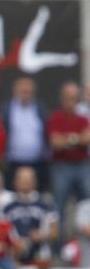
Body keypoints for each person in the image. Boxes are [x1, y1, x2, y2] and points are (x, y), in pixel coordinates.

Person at [46, 81, 90, 238]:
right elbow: (55, 143)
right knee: (58, 208)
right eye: (68, 98)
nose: (71, 102)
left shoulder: (83, 118)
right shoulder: (55, 118)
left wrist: (68, 140)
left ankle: (83, 247)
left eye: (74, 98)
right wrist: (76, 139)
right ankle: (59, 248)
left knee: (87, 205)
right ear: (62, 98)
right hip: (61, 166)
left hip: (83, 165)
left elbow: (87, 139)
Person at [0, 76, 50, 190]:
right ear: (15, 91)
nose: (26, 94)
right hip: (12, 162)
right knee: (11, 194)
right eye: (23, 91)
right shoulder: (7, 109)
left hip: (37, 162)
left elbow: (47, 132)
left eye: (28, 91)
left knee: (38, 194)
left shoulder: (40, 109)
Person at [2, 166, 57, 266]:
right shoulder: (7, 206)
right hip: (14, 256)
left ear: (35, 182)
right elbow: (0, 232)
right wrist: (14, 243)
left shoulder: (46, 203)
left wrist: (42, 235)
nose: (26, 182)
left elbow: (55, 232)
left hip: (40, 254)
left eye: (28, 179)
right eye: (22, 179)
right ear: (15, 182)